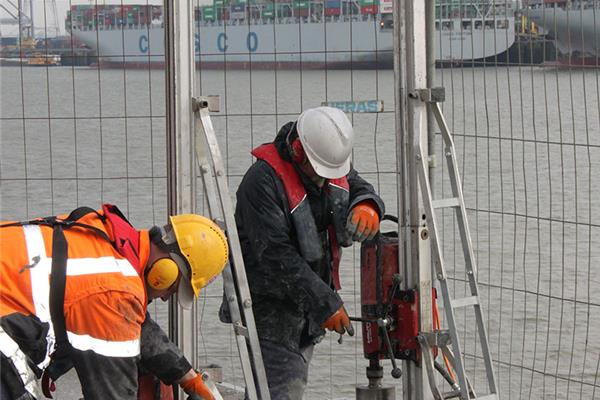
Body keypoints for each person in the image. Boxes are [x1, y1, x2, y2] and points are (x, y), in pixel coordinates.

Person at [220, 106, 384, 399]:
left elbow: (354, 183)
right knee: (279, 389)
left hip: (303, 306)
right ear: (297, 150)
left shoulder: (324, 159)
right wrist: (324, 303)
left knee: (275, 390)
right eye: (320, 171)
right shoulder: (261, 183)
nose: (324, 179)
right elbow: (275, 256)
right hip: (269, 310)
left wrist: (368, 204)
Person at [0, 204, 228, 400]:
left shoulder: (110, 242)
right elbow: (113, 392)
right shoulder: (115, 290)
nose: (167, 297)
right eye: (174, 287)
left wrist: (190, 379)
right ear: (166, 269)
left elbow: (135, 326)